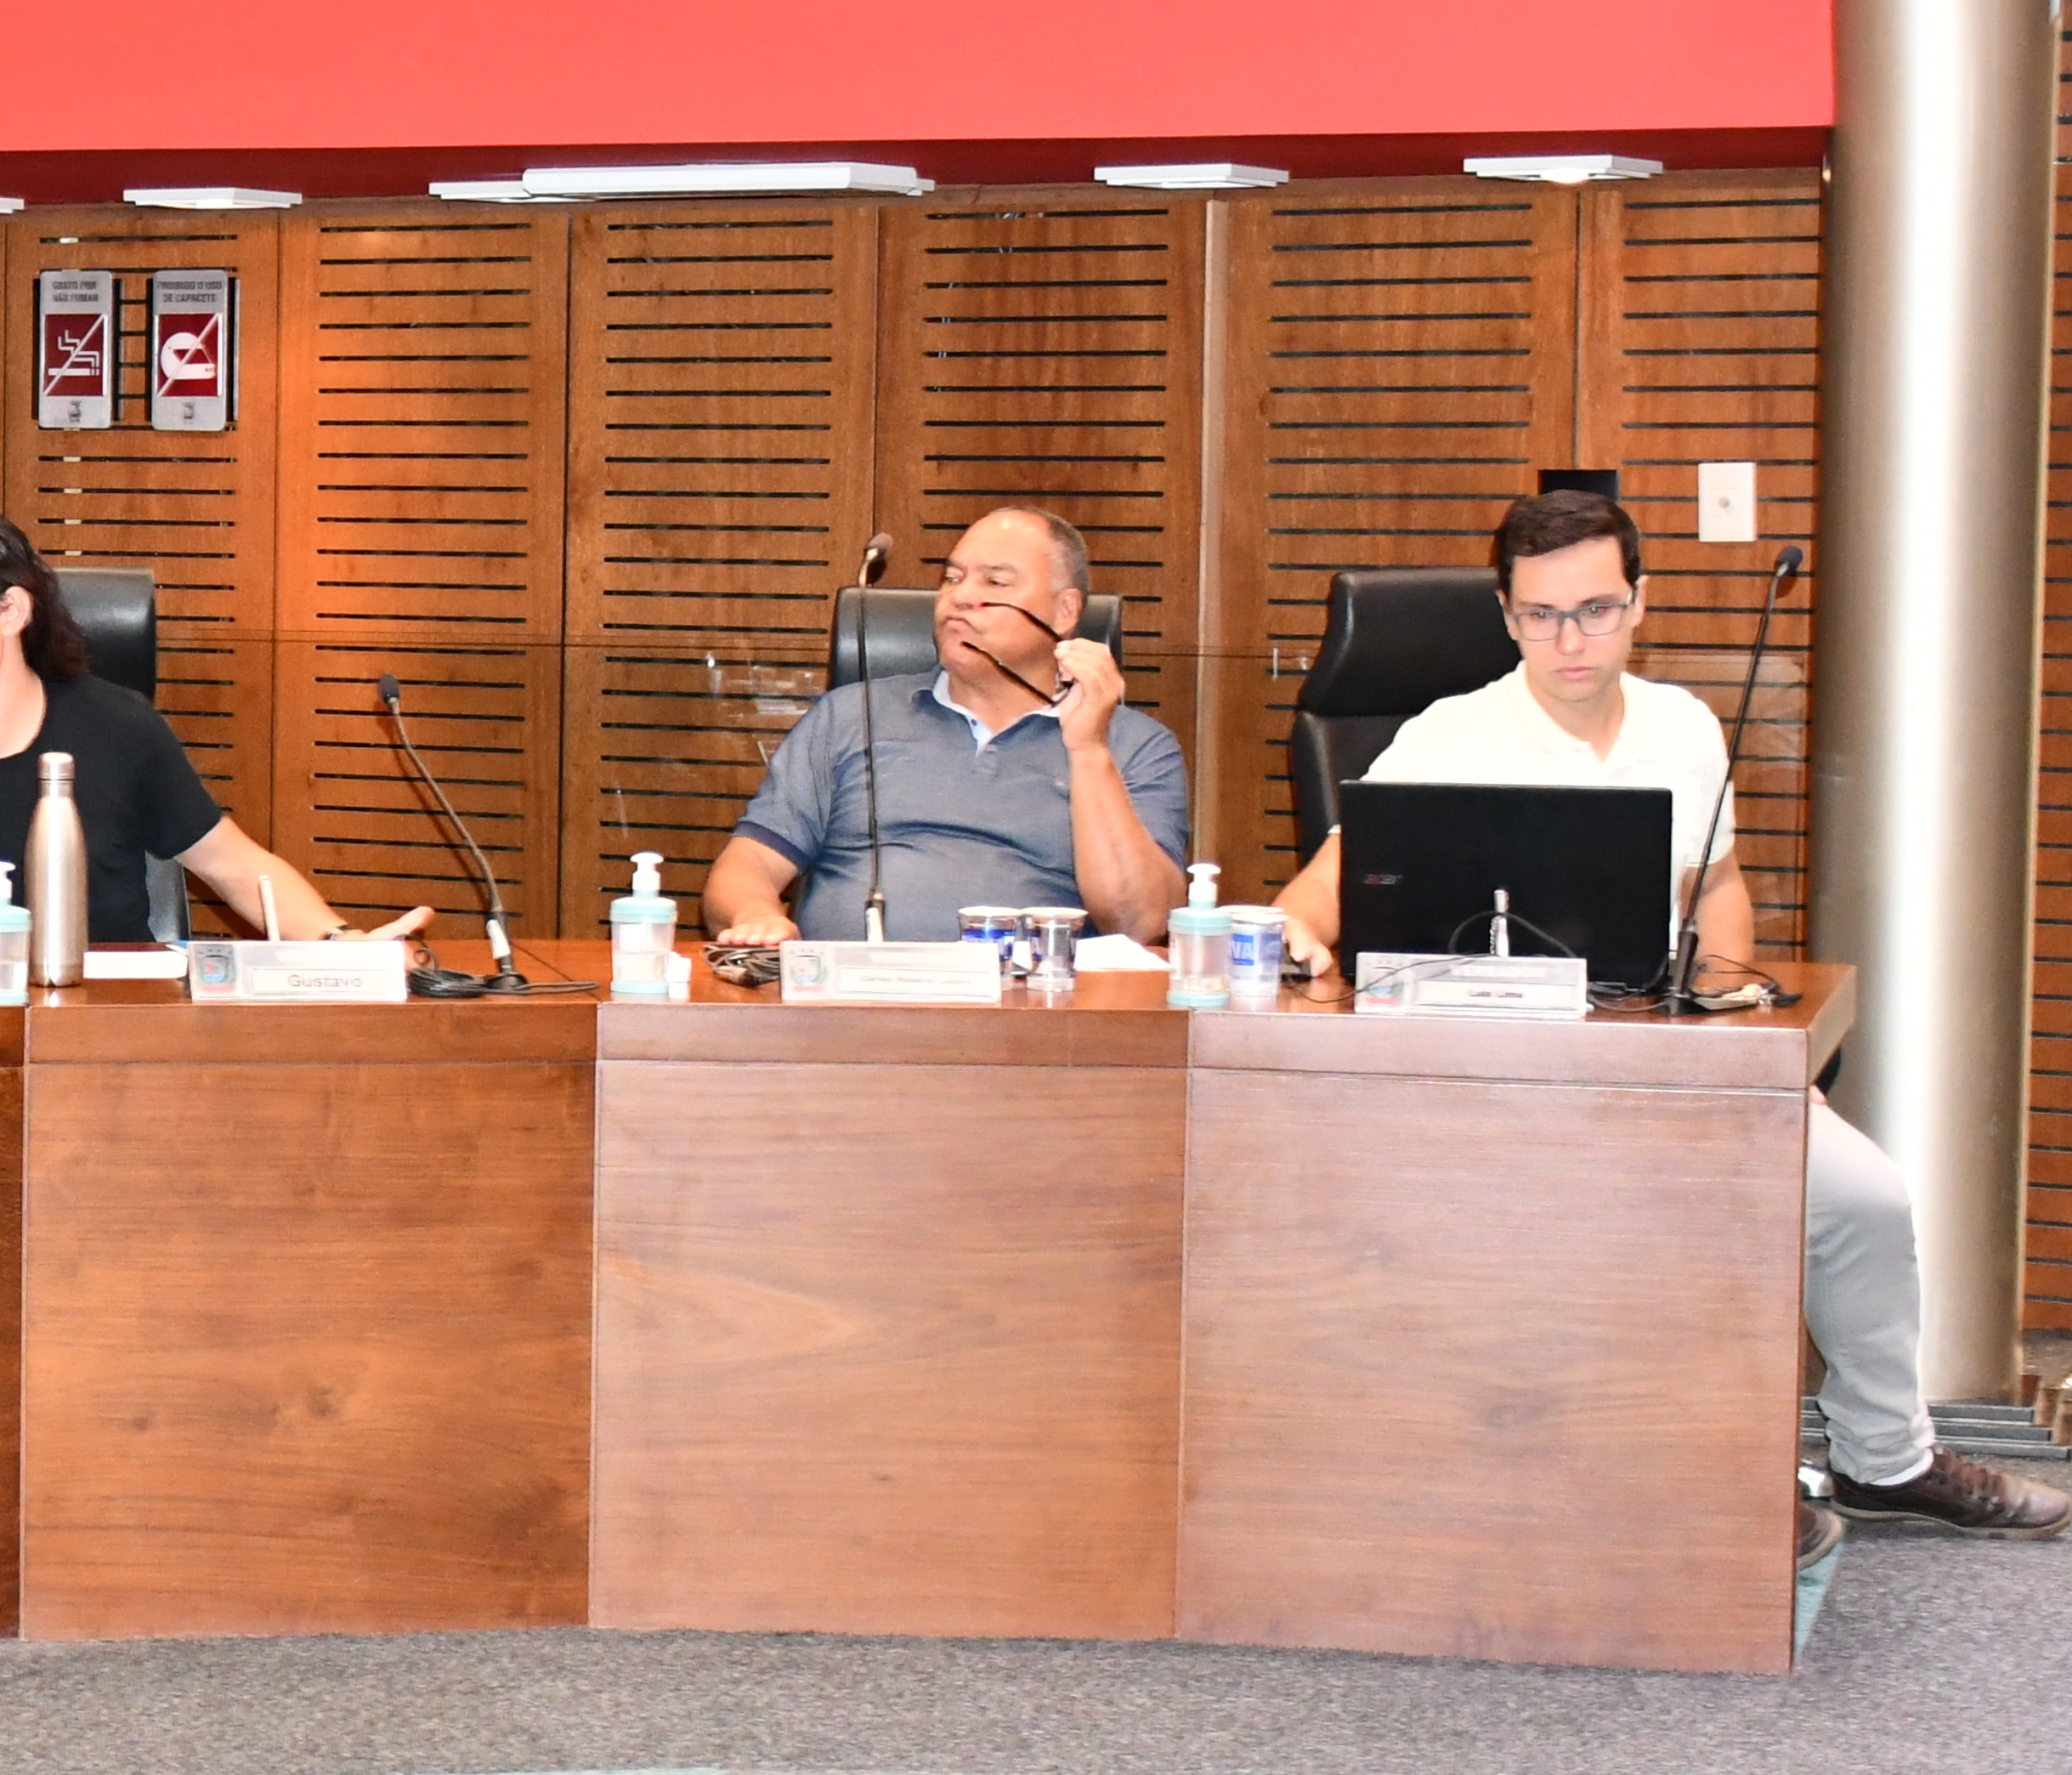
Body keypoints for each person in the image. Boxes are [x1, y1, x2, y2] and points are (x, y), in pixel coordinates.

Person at [1271, 488, 2066, 1545]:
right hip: (1504, 1089)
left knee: (1863, 1198)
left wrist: (1729, 1000)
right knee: (1674, 1221)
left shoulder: (1684, 726)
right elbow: (1312, 898)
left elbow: (1718, 884)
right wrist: (1295, 937)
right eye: (1541, 614)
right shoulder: (1449, 734)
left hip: (1672, 1063)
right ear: (1506, 614)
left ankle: (1887, 1458)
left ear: (1639, 602)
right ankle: (1711, 1484)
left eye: (1596, 610)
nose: (1570, 640)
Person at [0, 505, 380, 951]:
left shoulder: (120, 728)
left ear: (11, 611)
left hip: (113, 1024)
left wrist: (342, 943)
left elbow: (235, 866)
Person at [705, 504, 1191, 950]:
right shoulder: (849, 716)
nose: (961, 597)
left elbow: (1138, 923)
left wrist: (1088, 748)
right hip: (849, 998)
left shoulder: (1135, 747)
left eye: (995, 583)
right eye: (952, 578)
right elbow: (749, 864)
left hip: (1034, 1004)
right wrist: (754, 914)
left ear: (1065, 611)